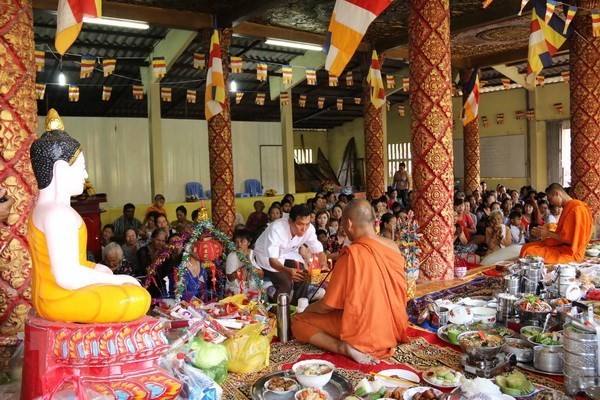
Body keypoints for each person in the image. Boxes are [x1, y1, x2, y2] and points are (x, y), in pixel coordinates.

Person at [27, 109, 149, 323]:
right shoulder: (57, 214)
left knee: (124, 287)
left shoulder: (46, 210)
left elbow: (76, 263)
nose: (85, 175)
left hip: (52, 295)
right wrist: (119, 279)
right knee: (138, 298)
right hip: (59, 298)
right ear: (61, 170)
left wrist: (97, 268)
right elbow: (67, 276)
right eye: (82, 168)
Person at [291, 199, 408, 364]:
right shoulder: (392, 246)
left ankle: (343, 347)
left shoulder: (352, 253)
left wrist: (309, 310)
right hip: (393, 327)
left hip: (363, 334)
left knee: (299, 321)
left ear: (349, 223)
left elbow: (328, 305)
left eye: (344, 226)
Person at [253, 204, 327, 305]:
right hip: (266, 255)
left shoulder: (309, 229)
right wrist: (288, 271)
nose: (304, 228)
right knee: (285, 282)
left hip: (289, 252)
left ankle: (298, 307)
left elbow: (319, 251)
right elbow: (273, 261)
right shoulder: (277, 229)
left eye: (307, 224)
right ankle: (278, 312)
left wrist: (323, 264)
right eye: (300, 224)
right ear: (290, 221)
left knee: (303, 275)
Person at [520, 183, 593, 263]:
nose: (551, 203)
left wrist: (549, 233)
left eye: (551, 200)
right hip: (562, 245)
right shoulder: (568, 207)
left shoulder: (577, 209)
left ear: (557, 193)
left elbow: (572, 240)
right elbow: (564, 232)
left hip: (571, 252)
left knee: (529, 251)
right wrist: (547, 231)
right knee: (526, 247)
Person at [225, 229, 264, 296]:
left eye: (242, 241)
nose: (239, 244)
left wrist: (249, 261)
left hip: (252, 289)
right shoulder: (232, 256)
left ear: (249, 242)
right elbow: (230, 278)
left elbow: (261, 276)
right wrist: (244, 267)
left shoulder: (252, 253)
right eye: (236, 242)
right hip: (236, 290)